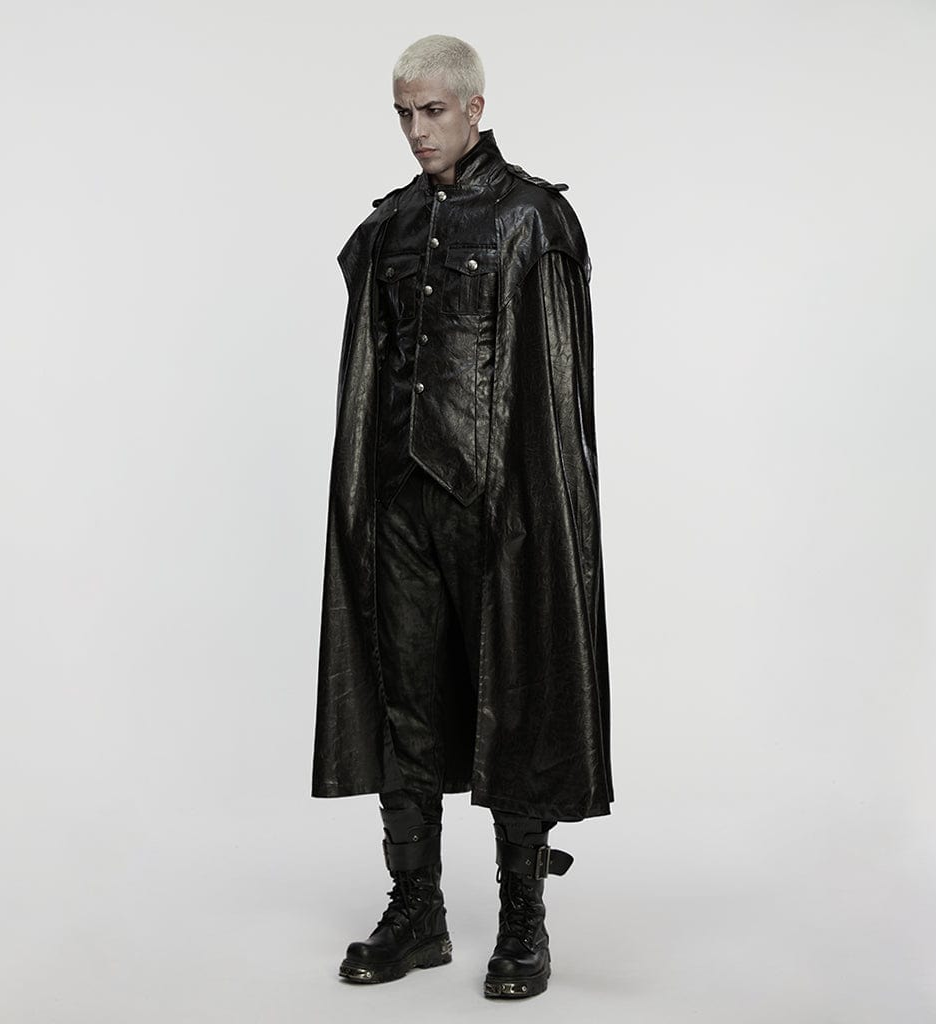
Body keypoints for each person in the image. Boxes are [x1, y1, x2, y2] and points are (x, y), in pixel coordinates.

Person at [312, 33, 613, 1000]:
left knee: (515, 699)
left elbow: (557, 387)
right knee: (405, 700)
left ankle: (523, 920)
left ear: (475, 108)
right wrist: (365, 506)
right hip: (403, 505)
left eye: (432, 111)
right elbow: (371, 375)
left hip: (503, 510)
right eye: (404, 113)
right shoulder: (391, 227)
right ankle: (418, 912)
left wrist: (539, 516)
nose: (416, 130)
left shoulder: (532, 218)